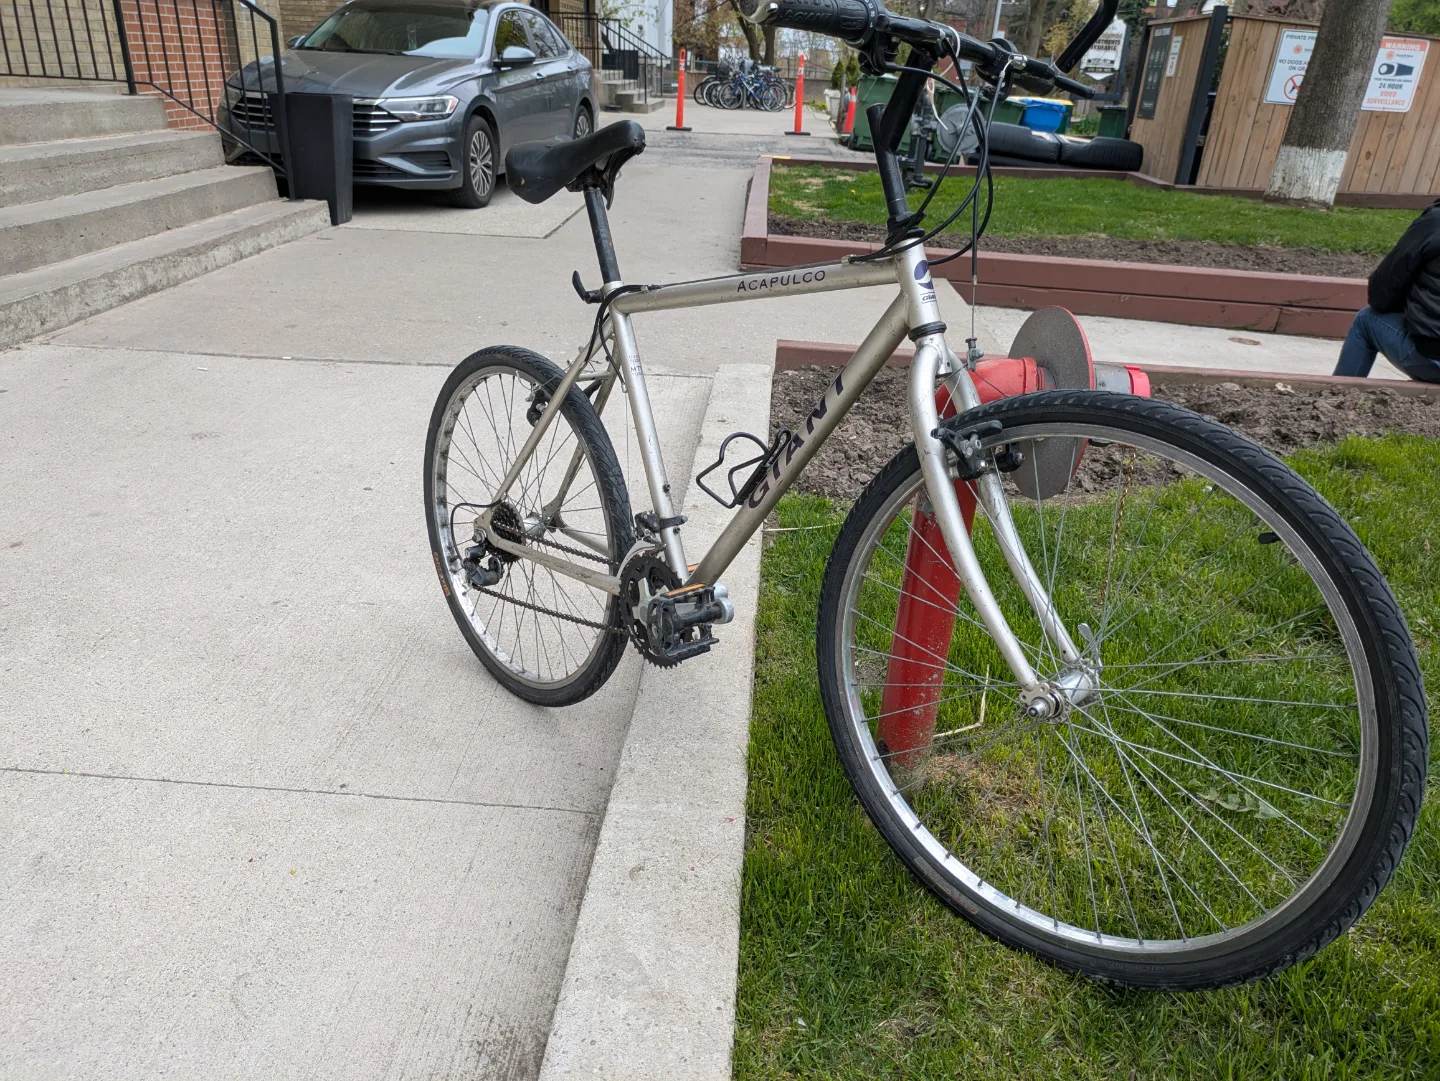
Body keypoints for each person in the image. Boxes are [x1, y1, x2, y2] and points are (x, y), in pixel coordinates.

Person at [1334, 198, 1440, 383]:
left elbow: (1383, 291)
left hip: (1433, 357)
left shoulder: (1435, 222)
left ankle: (1337, 397)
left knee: (1366, 319)